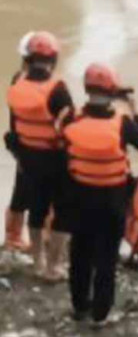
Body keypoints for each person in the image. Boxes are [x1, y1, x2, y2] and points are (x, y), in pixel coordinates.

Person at [62, 63, 138, 327]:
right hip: (112, 199)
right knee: (106, 257)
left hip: (80, 197)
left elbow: (62, 143)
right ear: (113, 91)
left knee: (80, 253)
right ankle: (100, 314)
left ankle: (80, 307)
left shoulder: (71, 118)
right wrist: (134, 108)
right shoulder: (122, 124)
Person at [6, 31, 73, 278]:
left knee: (35, 209)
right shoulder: (57, 89)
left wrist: (20, 153)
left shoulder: (16, 85)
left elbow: (14, 125)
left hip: (27, 158)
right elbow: (70, 127)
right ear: (53, 59)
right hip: (54, 158)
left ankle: (37, 263)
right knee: (62, 212)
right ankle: (54, 266)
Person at [4, 34, 33, 252]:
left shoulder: (18, 79)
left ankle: (13, 237)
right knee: (29, 192)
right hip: (32, 145)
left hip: (21, 143)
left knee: (21, 191)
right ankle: (16, 237)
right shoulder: (28, 81)